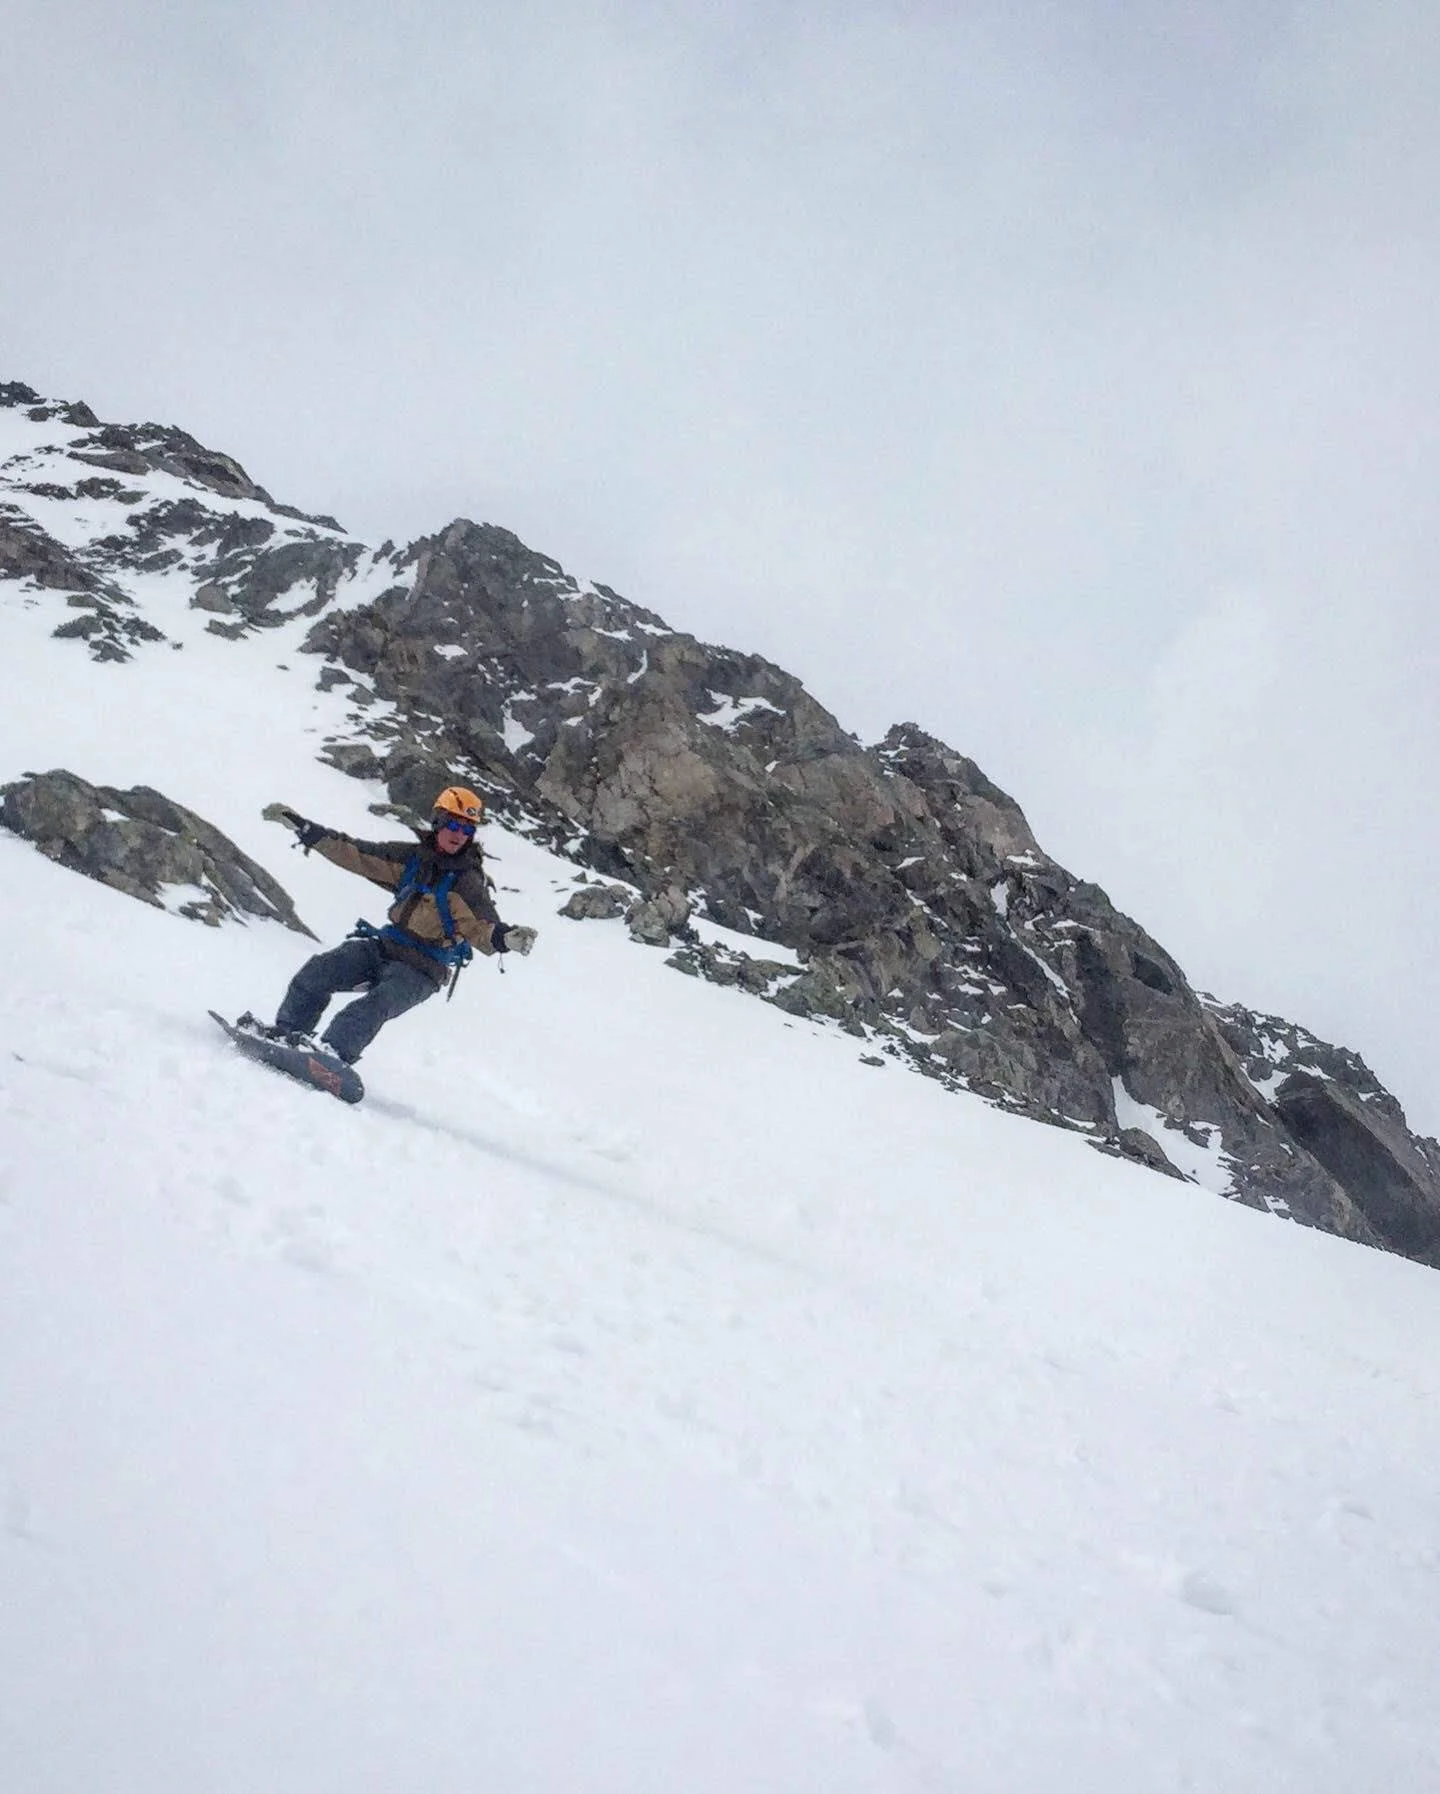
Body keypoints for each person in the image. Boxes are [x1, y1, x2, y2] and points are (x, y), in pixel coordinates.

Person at [242, 786, 536, 1065]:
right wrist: (305, 829)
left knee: (373, 1006)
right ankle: (289, 1033)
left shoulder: (468, 883)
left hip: (424, 970)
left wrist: (506, 938)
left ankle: (332, 1056)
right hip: (385, 947)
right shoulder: (410, 859)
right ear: (438, 821)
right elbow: (356, 853)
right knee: (318, 971)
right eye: (453, 824)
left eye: (467, 829)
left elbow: (484, 926)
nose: (459, 834)